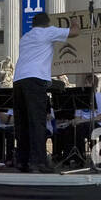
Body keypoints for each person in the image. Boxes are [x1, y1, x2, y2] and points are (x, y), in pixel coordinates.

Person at [13, 10, 71, 173]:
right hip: (35, 80)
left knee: (22, 123)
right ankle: (38, 162)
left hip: (18, 80)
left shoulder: (25, 37)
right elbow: (75, 32)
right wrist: (74, 21)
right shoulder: (48, 32)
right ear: (47, 23)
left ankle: (22, 161)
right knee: (37, 122)